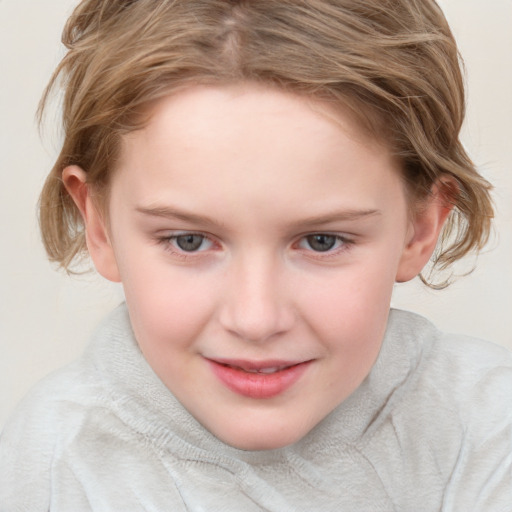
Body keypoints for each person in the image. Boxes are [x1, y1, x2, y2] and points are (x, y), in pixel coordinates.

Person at [1, 0, 510, 510]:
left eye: (321, 241)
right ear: (100, 226)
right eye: (189, 241)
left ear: (420, 227)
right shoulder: (51, 470)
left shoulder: (487, 430)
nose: (256, 319)